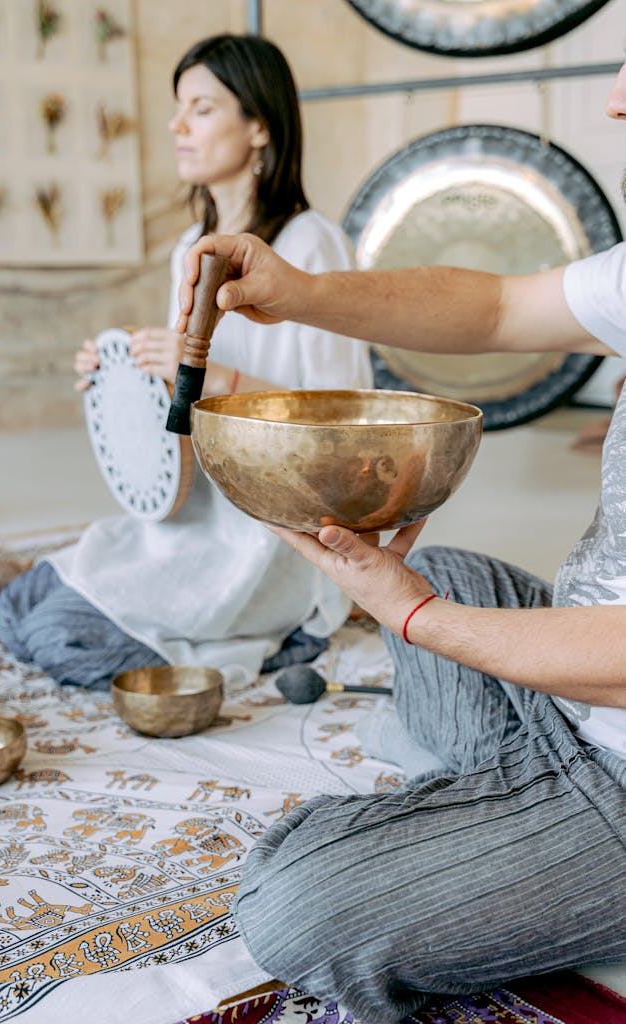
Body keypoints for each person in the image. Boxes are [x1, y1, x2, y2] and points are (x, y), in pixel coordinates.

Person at [176, 50, 626, 1024]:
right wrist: (297, 289)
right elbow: (497, 305)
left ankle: (524, 833)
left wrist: (416, 616)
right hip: (581, 701)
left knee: (293, 906)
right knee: (446, 569)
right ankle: (506, 811)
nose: (614, 97)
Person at [0, 34, 372, 689]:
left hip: (266, 533)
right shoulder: (187, 250)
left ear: (258, 126)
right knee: (17, 609)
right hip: (197, 509)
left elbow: (342, 425)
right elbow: (180, 410)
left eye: (200, 108)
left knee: (57, 637)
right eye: (179, 108)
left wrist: (207, 374)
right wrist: (123, 374)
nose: (176, 125)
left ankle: (284, 636)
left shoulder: (311, 243)